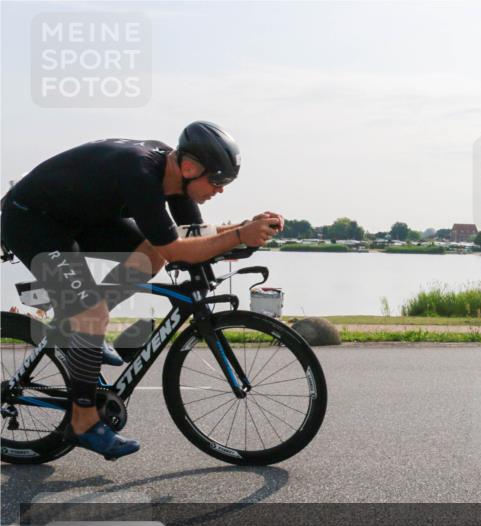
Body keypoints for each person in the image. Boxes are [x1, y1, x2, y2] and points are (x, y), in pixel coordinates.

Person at [0, 121, 284, 460]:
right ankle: (83, 422)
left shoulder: (175, 175)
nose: (220, 191)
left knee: (151, 251)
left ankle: (83, 326)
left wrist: (244, 228)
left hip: (74, 218)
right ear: (191, 168)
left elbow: (187, 236)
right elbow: (178, 249)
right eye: (218, 181)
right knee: (92, 312)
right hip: (31, 220)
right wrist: (239, 235)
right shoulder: (141, 173)